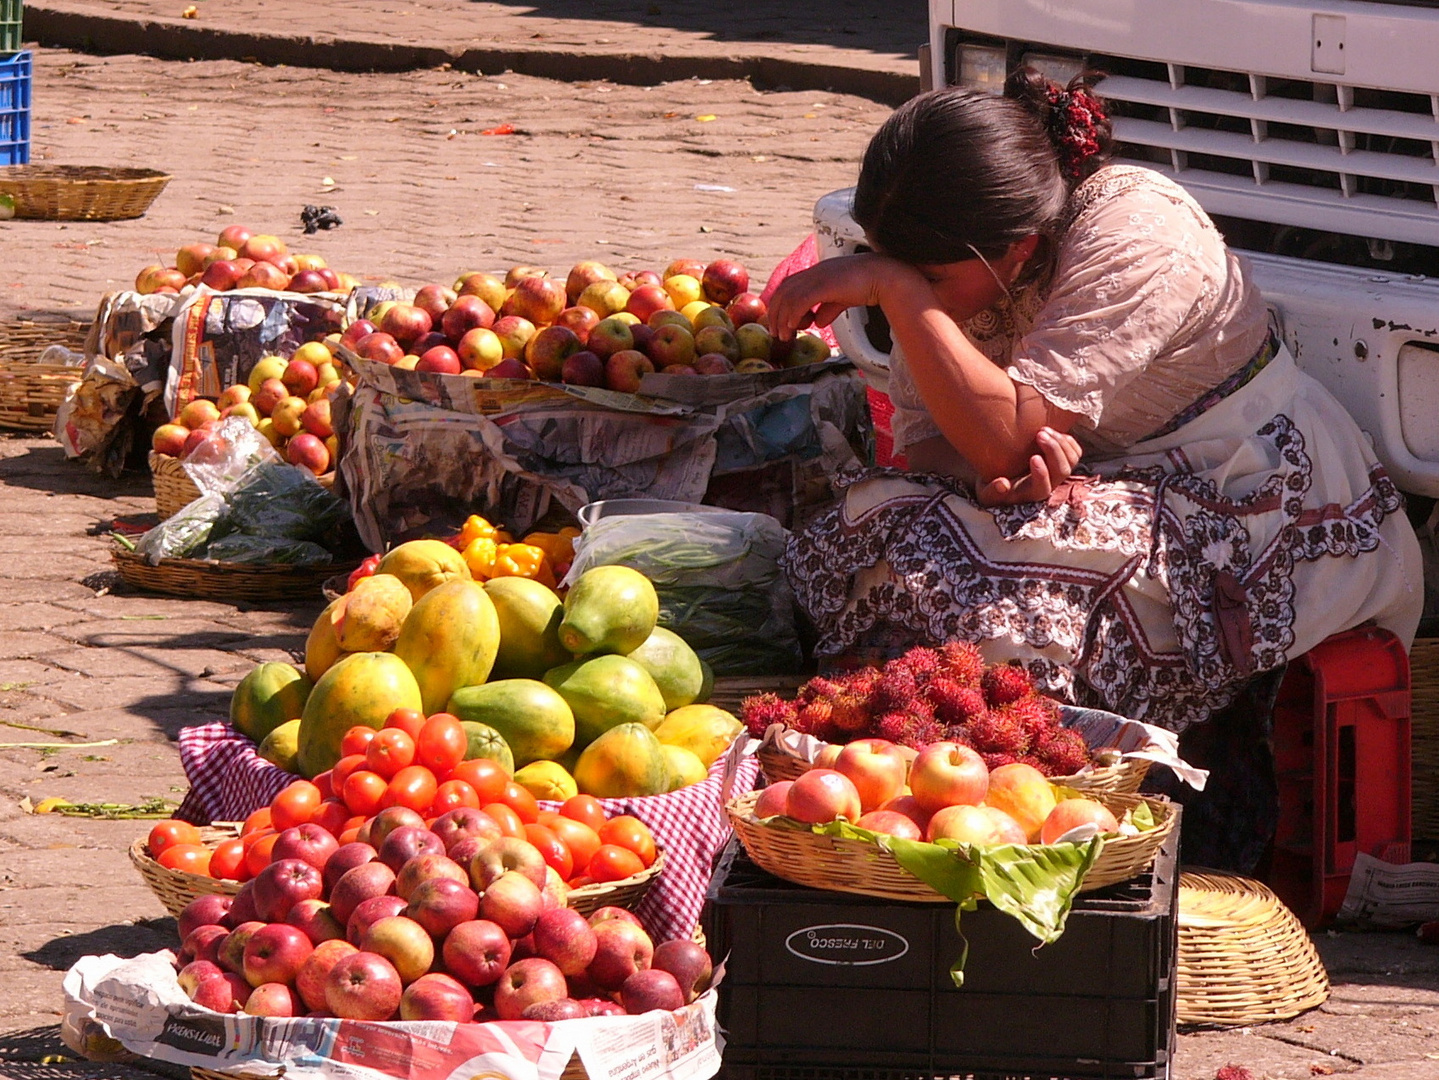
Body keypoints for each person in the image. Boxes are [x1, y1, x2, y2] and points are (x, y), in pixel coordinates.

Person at [768, 70, 1423, 735]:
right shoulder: (939, 264)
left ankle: (1062, 811)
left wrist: (898, 293)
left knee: (1015, 620)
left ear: (1017, 248)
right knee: (858, 535)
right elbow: (932, 446)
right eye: (898, 268)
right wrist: (992, 480)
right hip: (1084, 488)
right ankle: (894, 779)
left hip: (1242, 490)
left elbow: (1002, 435)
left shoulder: (1135, 230)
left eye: (929, 277)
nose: (916, 290)